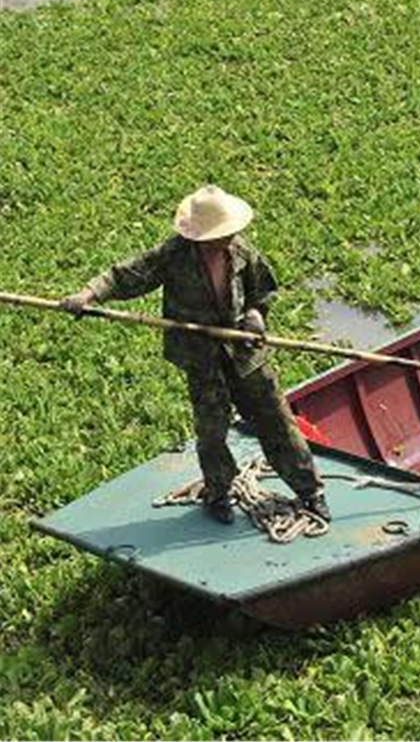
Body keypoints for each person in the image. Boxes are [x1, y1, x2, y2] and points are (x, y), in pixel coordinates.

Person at [60, 186, 330, 524]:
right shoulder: (174, 255)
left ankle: (310, 492)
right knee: (212, 431)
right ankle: (218, 494)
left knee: (276, 420)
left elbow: (262, 289)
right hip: (201, 356)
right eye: (220, 234)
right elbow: (125, 276)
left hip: (244, 352)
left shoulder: (241, 251)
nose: (228, 237)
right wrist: (88, 295)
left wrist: (256, 314)